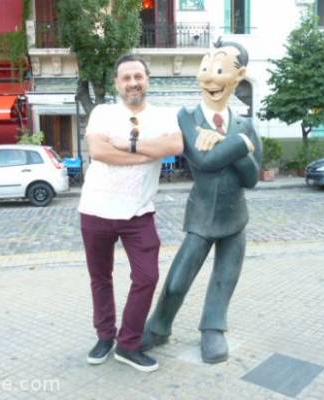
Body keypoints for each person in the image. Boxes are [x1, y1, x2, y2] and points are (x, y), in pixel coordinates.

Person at [142, 39, 262, 364]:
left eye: (220, 70)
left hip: (236, 216)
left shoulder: (246, 125)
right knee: (180, 275)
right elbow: (202, 159)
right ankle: (159, 324)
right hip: (201, 217)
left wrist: (229, 142)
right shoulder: (187, 117)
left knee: (226, 277)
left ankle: (213, 329)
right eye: (206, 68)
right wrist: (238, 145)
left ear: (239, 76)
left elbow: (252, 178)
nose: (209, 77)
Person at [78, 54, 183, 372]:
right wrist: (147, 153)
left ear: (147, 79)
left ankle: (128, 343)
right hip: (95, 210)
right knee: (100, 278)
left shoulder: (164, 116)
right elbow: (98, 151)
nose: (133, 82)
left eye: (138, 76)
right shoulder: (103, 112)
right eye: (126, 78)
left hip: (139, 213)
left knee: (147, 277)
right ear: (117, 84)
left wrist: (128, 145)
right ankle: (105, 337)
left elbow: (175, 147)